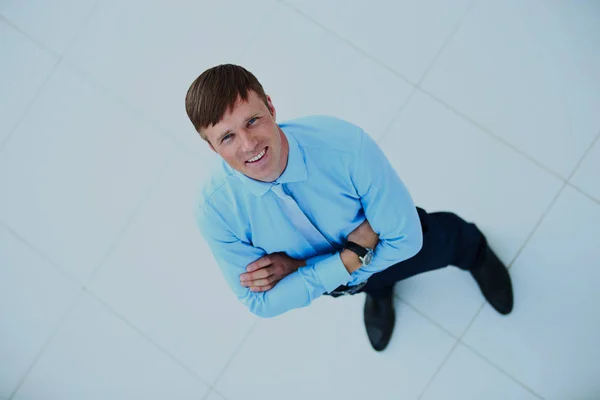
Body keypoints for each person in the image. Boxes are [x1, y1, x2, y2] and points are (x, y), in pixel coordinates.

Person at [185, 64, 513, 351]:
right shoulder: (215, 211)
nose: (248, 144)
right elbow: (260, 302)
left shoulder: (344, 146)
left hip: (382, 247)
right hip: (355, 258)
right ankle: (380, 290)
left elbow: (406, 240)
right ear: (212, 148)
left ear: (271, 106)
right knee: (375, 278)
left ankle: (476, 252)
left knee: (446, 240)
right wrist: (348, 260)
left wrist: (304, 271)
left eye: (252, 120)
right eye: (227, 137)